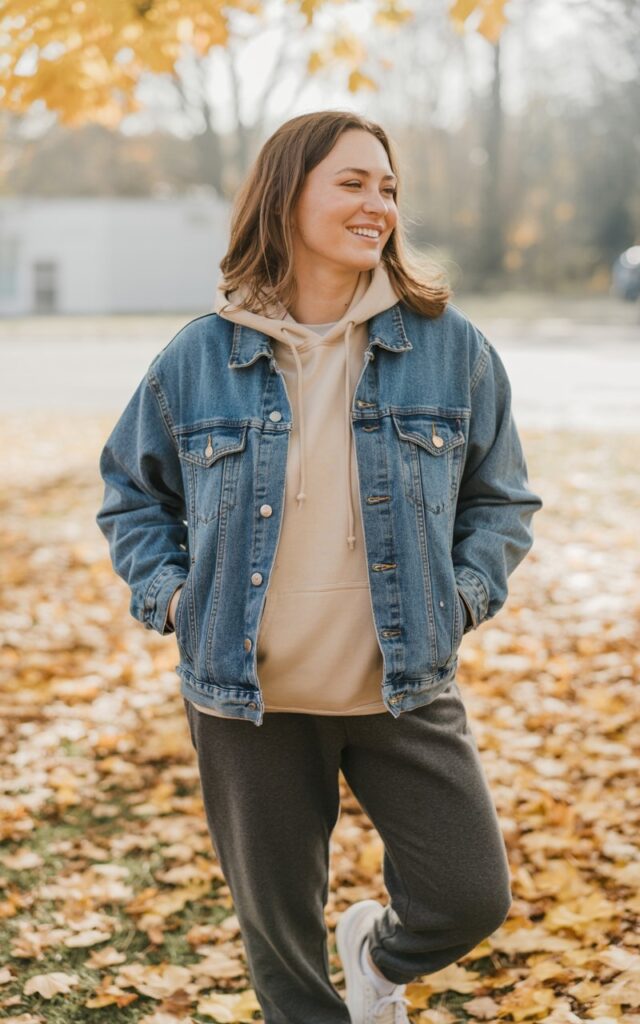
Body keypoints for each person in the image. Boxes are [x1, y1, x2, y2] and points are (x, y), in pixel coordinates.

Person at [96, 109, 543, 1024]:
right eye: (352, 182)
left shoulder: (449, 347)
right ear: (286, 193)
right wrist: (177, 600)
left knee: (470, 895)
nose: (378, 203)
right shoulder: (198, 358)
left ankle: (377, 958)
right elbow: (132, 496)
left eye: (388, 187)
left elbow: (501, 500)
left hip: (403, 684)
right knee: (282, 949)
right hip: (245, 696)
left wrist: (458, 600)